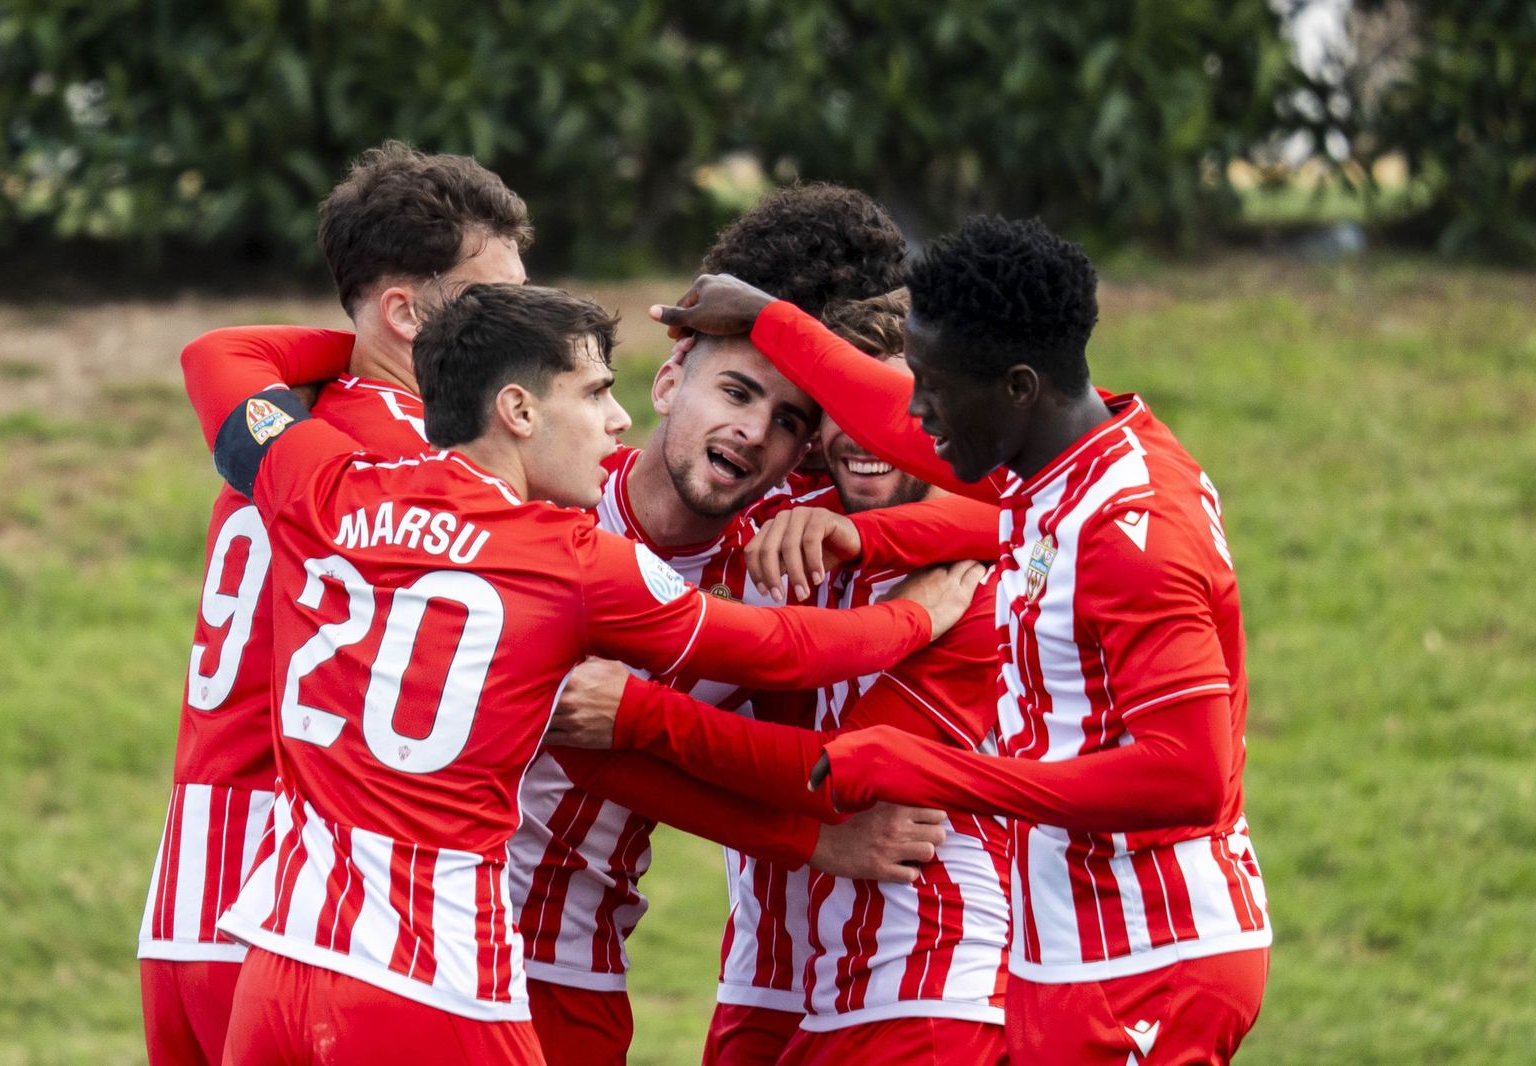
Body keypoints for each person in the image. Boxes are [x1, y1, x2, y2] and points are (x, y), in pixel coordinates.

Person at [180, 281, 980, 1065]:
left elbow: (220, 359)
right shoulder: (570, 554)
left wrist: (405, 348)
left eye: (790, 421)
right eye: (598, 392)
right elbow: (781, 649)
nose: (616, 415)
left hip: (298, 953)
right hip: (445, 967)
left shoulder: (339, 484)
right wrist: (915, 616)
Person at [650, 215, 1272, 1064]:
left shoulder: (1134, 532)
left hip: (1148, 951)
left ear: (1017, 388)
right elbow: (885, 420)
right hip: (1071, 945)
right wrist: (768, 319)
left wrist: (932, 770)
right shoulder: (1061, 471)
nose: (914, 410)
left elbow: (1190, 776)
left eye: (933, 386)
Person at [509, 183, 988, 1066]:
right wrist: (816, 839)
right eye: (734, 390)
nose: (751, 430)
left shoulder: (790, 546)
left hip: (579, 966)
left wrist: (881, 543)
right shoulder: (541, 502)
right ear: (668, 378)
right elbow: (582, 741)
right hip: (434, 938)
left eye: (791, 419)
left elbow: (1020, 508)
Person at [137, 141, 530, 1066]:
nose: (524, 325)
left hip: (186, 896)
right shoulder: (411, 464)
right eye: (497, 302)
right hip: (286, 909)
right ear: (405, 311)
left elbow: (223, 353)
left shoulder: (295, 422)